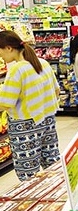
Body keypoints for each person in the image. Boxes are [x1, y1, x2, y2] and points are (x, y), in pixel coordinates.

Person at [0, 31, 61, 181]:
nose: (1, 57)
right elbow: (57, 91)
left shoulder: (17, 69)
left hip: (25, 127)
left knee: (28, 173)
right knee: (53, 164)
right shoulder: (43, 63)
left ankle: (36, 196)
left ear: (9, 48)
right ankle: (57, 192)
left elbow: (6, 102)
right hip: (48, 122)